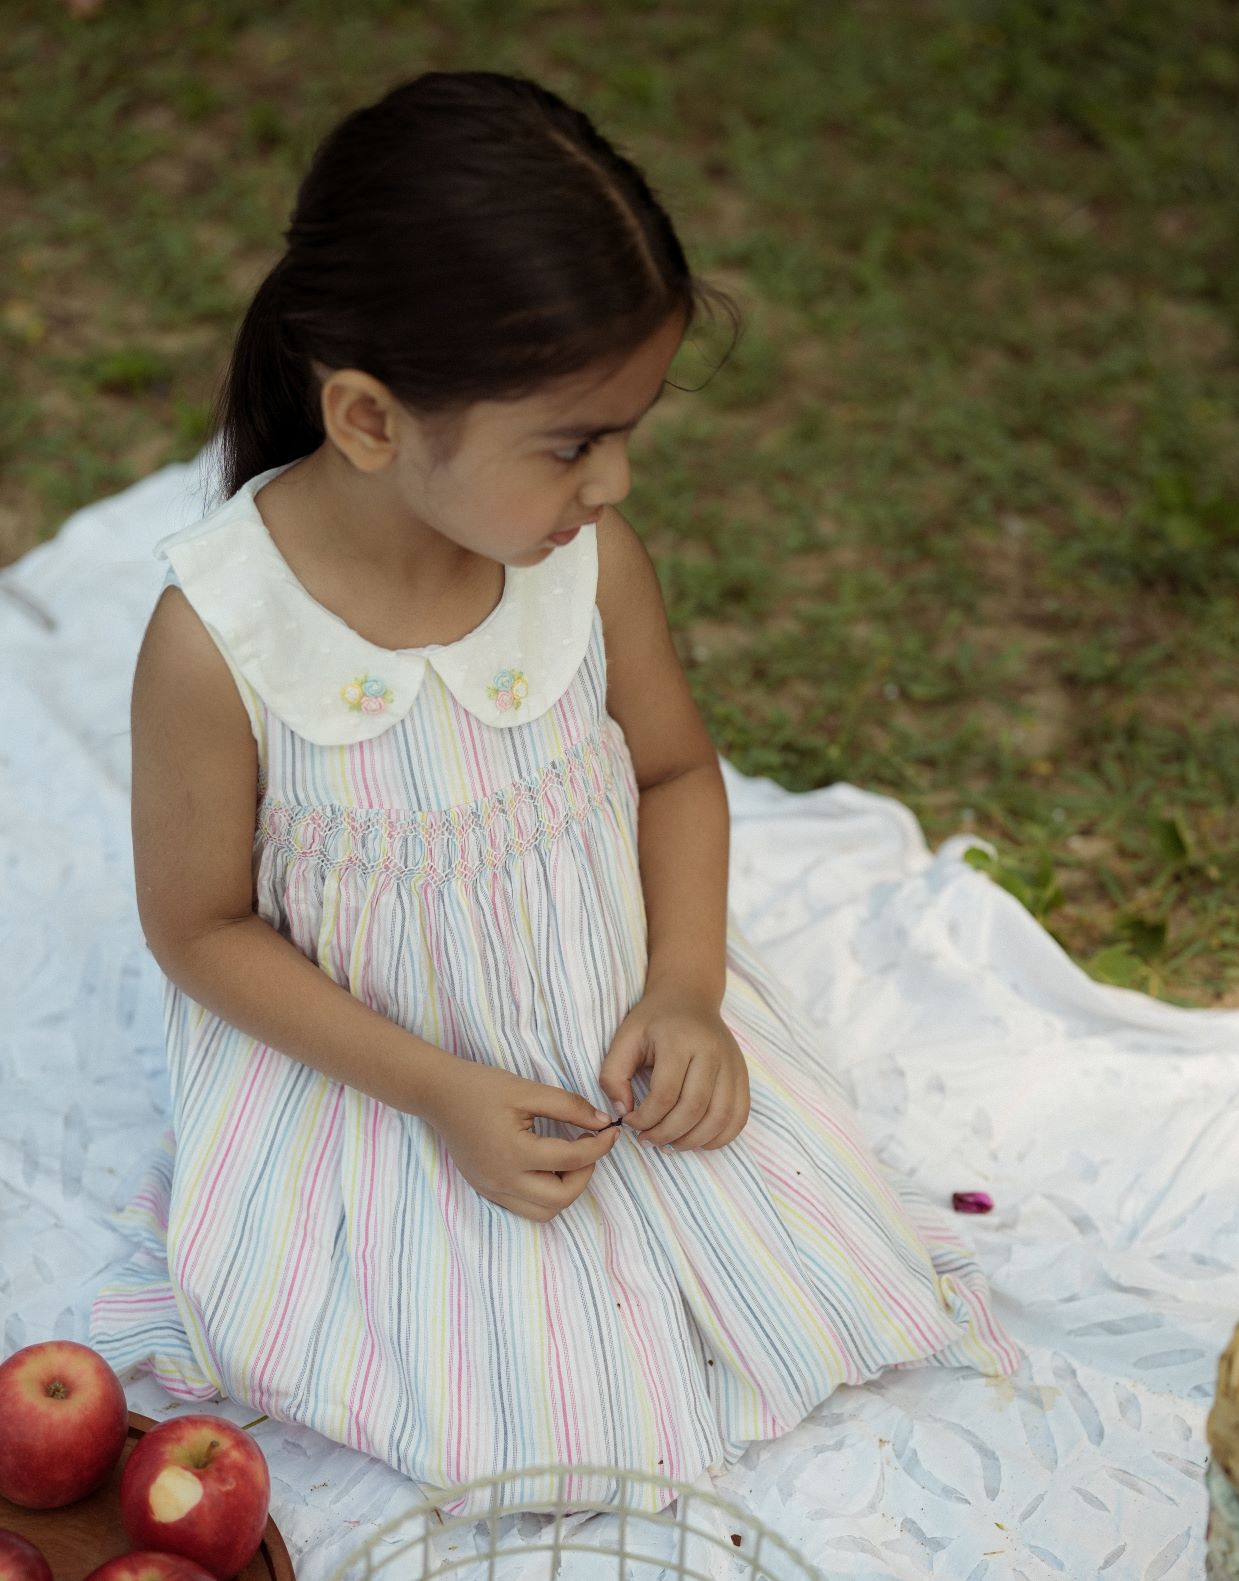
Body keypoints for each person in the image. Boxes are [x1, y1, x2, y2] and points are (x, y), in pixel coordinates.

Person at [90, 70, 1019, 1519]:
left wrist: (688, 991)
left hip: (606, 1013)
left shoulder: (581, 562)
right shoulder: (221, 642)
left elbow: (674, 770)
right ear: (371, 419)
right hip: (385, 1070)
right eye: (577, 441)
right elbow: (200, 928)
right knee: (495, 1368)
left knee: (809, 1257)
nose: (616, 480)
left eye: (628, 429)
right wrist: (441, 1090)